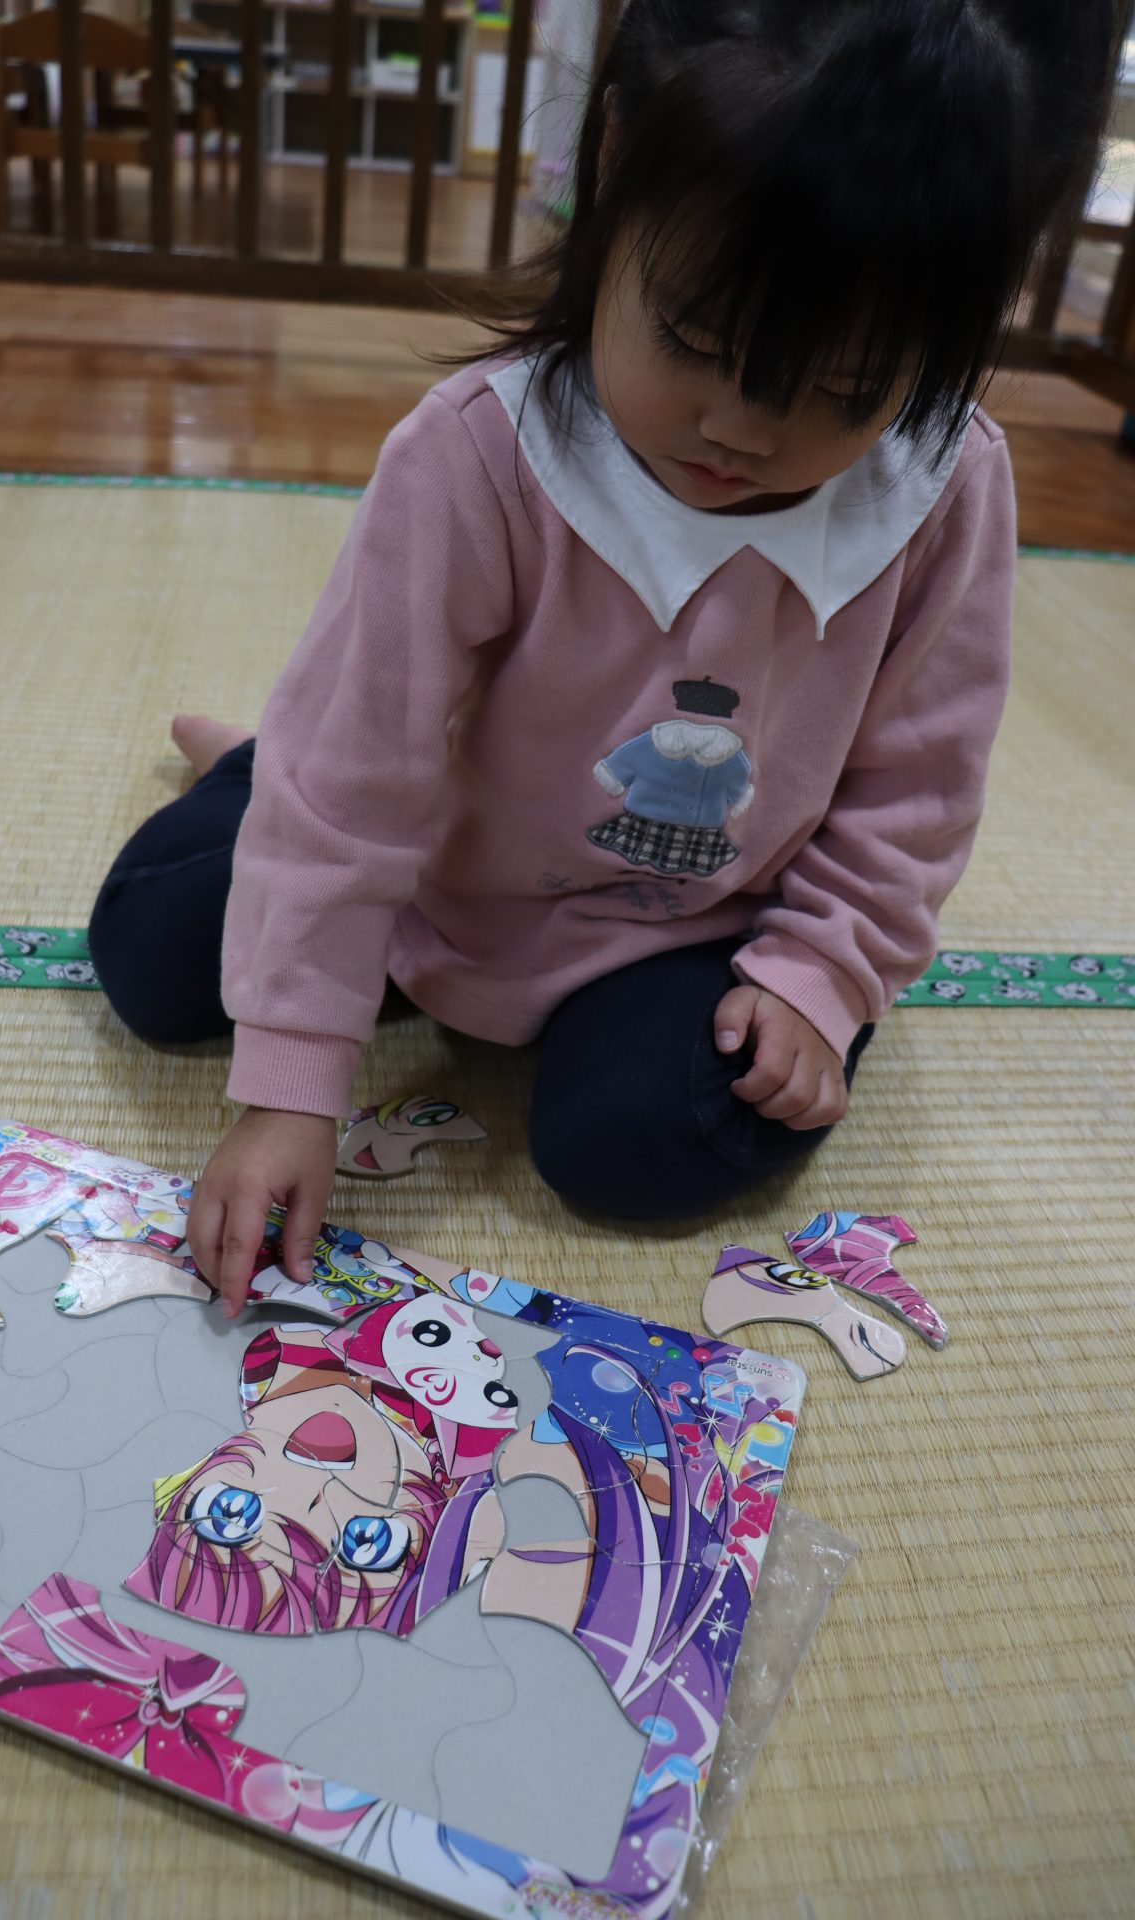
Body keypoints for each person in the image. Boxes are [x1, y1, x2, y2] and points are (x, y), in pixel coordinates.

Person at [88, 0, 1119, 1307]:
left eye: (846, 389)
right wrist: (294, 1080)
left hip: (693, 923)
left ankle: (321, 828)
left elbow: (917, 789)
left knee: (633, 1144)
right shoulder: (478, 455)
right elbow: (359, 772)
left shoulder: (943, 485)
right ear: (619, 158)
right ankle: (257, 768)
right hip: (437, 873)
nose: (741, 430)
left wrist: (823, 970)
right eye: (696, 340)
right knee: (150, 954)